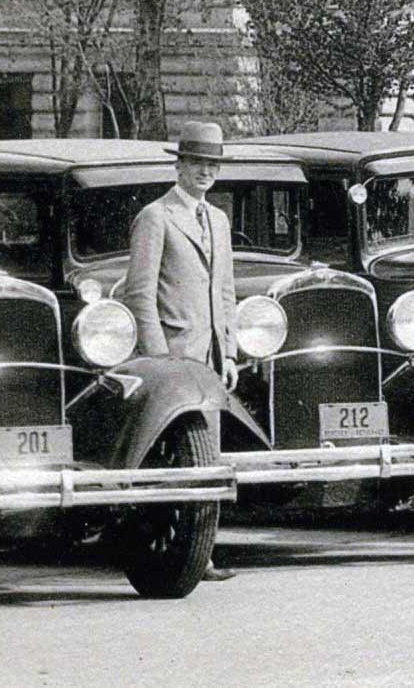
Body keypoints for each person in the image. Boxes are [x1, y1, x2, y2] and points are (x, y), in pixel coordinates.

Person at [120, 120, 239, 582]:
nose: (205, 172)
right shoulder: (156, 217)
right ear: (180, 165)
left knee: (208, 456)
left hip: (207, 361)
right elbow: (140, 294)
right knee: (172, 459)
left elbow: (225, 292)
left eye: (212, 164)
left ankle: (202, 553)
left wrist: (228, 353)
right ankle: (169, 552)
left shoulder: (220, 220)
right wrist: (157, 362)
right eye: (197, 163)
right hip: (172, 357)